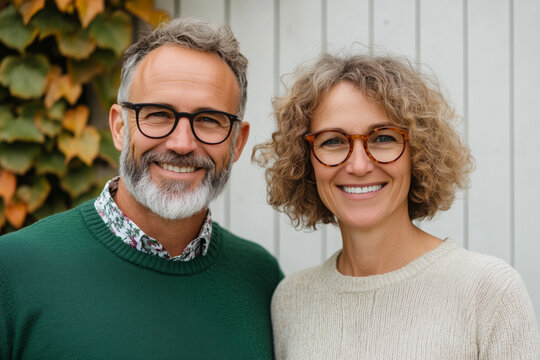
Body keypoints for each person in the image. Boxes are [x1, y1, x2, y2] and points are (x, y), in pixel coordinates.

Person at [0, 17, 283, 359]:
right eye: (158, 114)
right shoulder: (14, 270)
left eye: (208, 120)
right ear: (120, 127)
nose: (182, 143)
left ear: (237, 143)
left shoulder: (260, 279)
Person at [253, 53, 540, 359]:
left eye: (384, 138)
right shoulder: (291, 299)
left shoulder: (489, 290)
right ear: (305, 161)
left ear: (418, 153)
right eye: (333, 141)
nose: (359, 165)